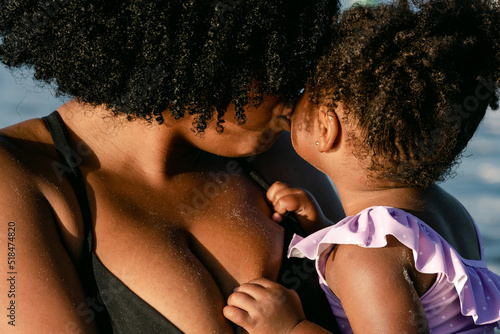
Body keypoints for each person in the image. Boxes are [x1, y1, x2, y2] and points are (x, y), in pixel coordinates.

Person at [0, 1, 345, 332]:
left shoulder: (276, 153)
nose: (300, 87)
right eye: (277, 57)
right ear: (203, 46)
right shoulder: (18, 175)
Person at [223, 0, 500, 333]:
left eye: (305, 92)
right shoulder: (448, 212)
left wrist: (290, 327)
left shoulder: (365, 260)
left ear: (327, 128)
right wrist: (323, 230)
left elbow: (374, 265)